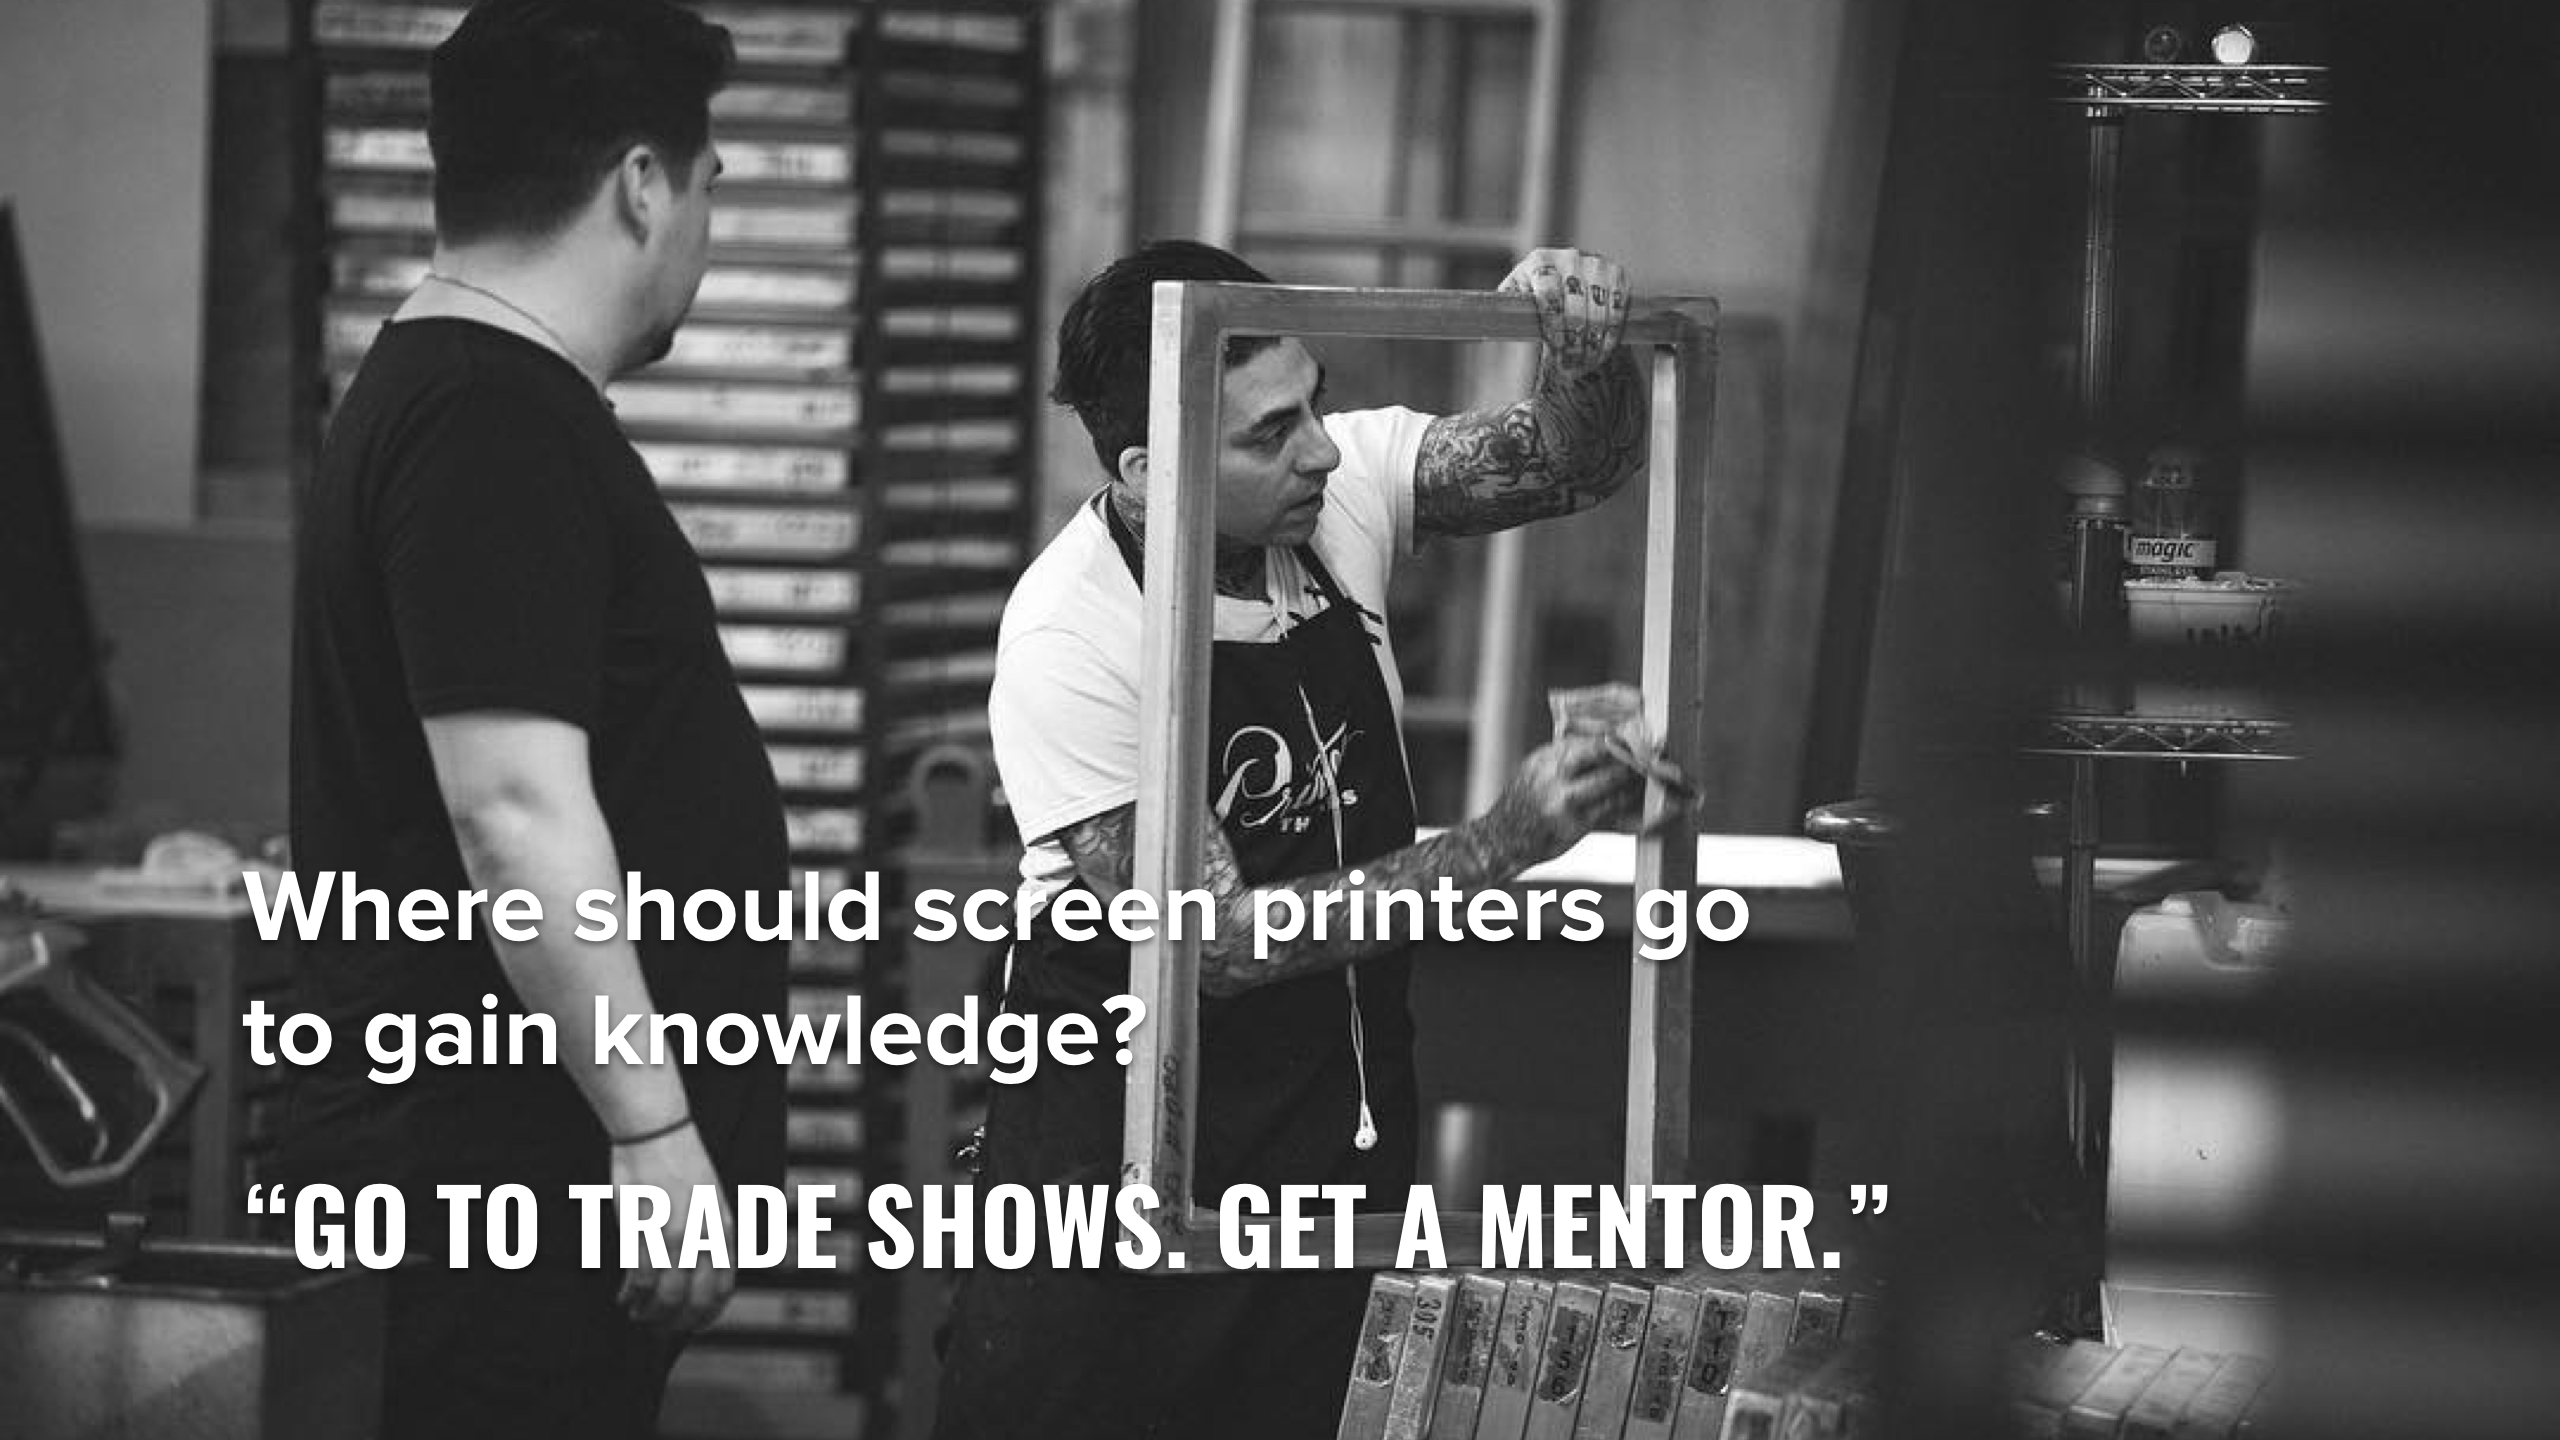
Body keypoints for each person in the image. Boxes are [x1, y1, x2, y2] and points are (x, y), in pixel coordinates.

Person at [935, 240, 1659, 1439]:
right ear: (1145, 470)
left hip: (1330, 1146)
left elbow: (1575, 461)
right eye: (1269, 436)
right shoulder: (1072, 636)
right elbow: (1208, 945)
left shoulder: (1339, 498)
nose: (1321, 447)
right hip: (1123, 1180)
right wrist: (1498, 842)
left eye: (1313, 403)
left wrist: (1582, 351)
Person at [280, 4, 782, 1436]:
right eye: (708, 187)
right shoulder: (487, 420)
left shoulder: (471, 401)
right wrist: (654, 1127)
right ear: (640, 183)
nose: (702, 229)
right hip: (499, 1199)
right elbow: (511, 811)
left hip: (512, 1201)